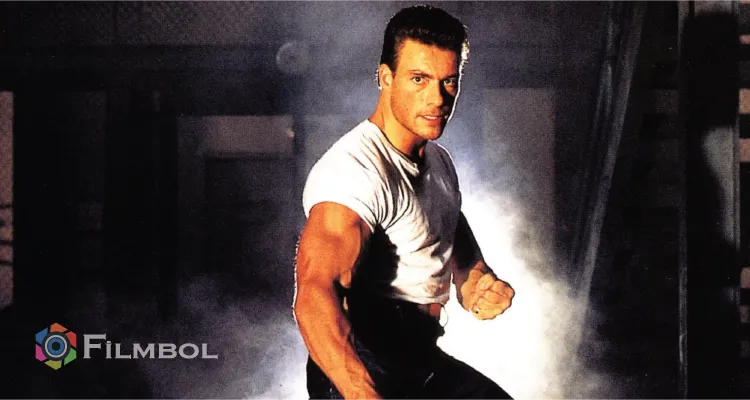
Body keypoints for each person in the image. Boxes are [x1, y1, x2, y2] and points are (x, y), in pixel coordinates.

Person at [293, 5, 515, 399]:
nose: (437, 98)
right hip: (363, 359)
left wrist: (475, 280)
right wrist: (360, 393)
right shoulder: (355, 170)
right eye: (419, 79)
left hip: (418, 355)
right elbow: (314, 295)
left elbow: (446, 230)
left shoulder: (438, 161)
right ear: (385, 77)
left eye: (448, 82)